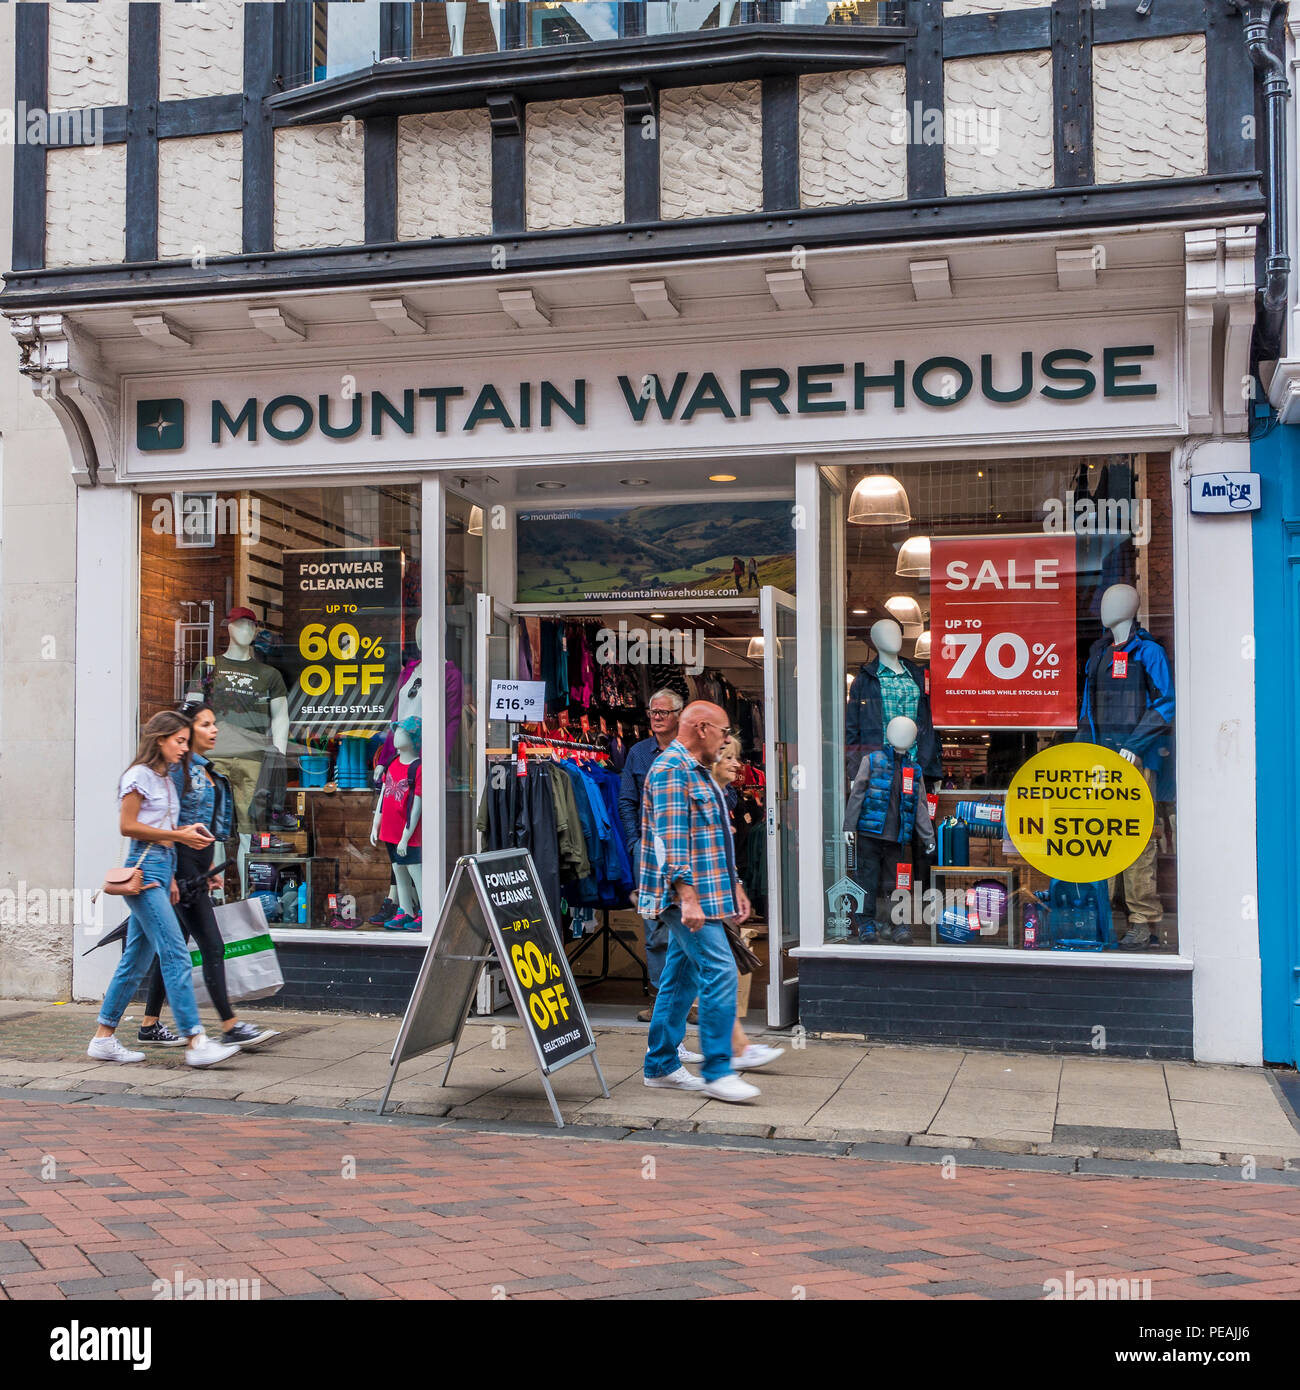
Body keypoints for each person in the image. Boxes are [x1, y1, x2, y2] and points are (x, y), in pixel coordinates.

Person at [88, 712, 241, 1068]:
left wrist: (183, 875)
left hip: (163, 870)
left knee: (136, 959)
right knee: (175, 952)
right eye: (180, 741)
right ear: (160, 739)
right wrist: (178, 835)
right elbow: (128, 826)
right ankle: (196, 1040)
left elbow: (167, 834)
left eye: (187, 742)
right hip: (145, 875)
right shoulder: (139, 775)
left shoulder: (165, 780)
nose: (185, 748)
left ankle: (103, 1038)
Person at [135, 702, 279, 1049]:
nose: (214, 730)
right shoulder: (180, 771)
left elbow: (204, 829)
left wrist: (209, 868)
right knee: (211, 947)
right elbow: (167, 825)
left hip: (194, 870)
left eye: (214, 724)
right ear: (186, 731)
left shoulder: (203, 770)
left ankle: (149, 1024)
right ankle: (229, 1025)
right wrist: (173, 875)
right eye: (205, 725)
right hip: (181, 870)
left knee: (169, 950)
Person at [640, 701, 759, 1103]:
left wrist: (736, 884)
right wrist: (686, 897)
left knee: (681, 977)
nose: (728, 740)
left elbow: (712, 840)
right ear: (704, 728)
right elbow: (672, 842)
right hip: (688, 899)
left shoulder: (695, 770)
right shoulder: (672, 770)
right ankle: (718, 1070)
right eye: (724, 732)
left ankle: (660, 1065)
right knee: (720, 970)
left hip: (707, 893)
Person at [618, 687, 683, 1021]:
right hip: (649, 853)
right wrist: (634, 842)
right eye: (652, 712)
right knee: (655, 928)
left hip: (685, 850)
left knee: (690, 925)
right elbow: (626, 800)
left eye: (663, 713)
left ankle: (692, 1001)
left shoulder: (691, 751)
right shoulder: (638, 753)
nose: (656, 718)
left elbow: (723, 795)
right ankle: (660, 1001)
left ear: (678, 717)